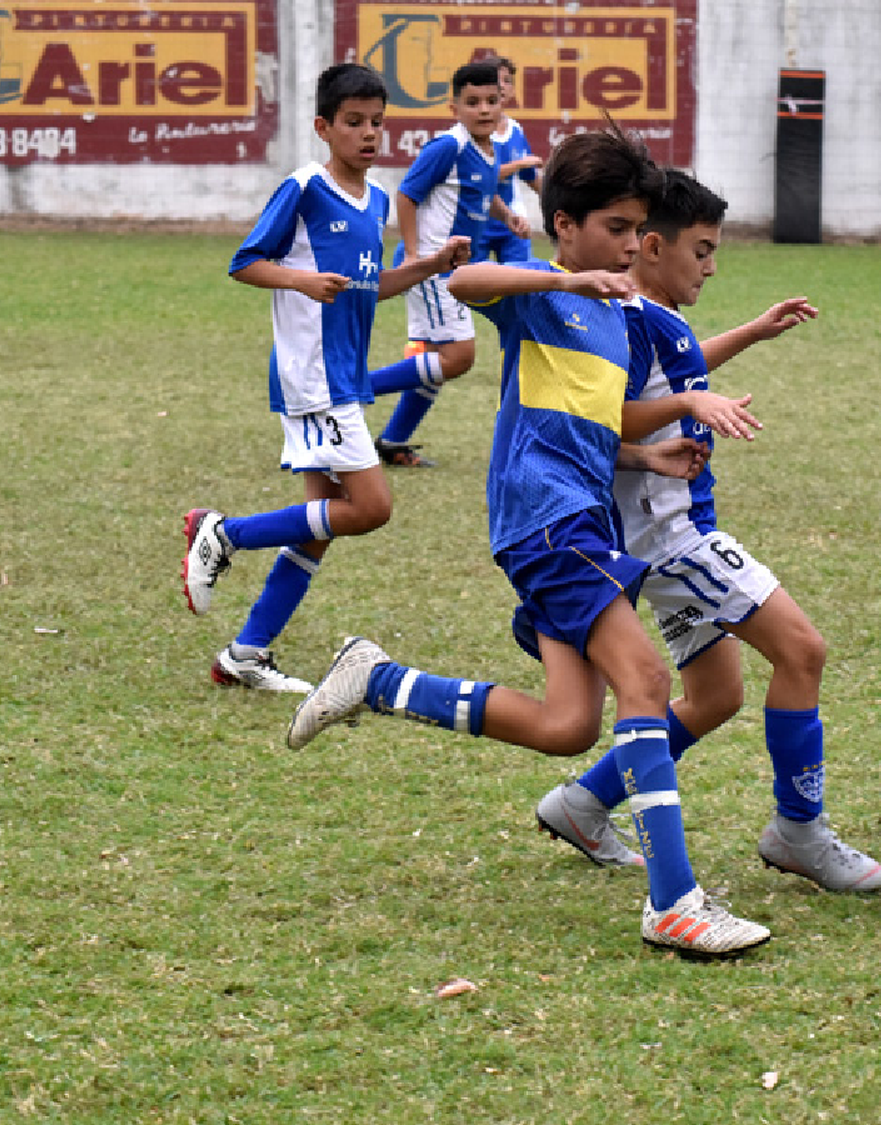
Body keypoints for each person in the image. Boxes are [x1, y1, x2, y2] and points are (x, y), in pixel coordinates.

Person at [286, 125, 772, 960]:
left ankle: (380, 680)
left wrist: (644, 450)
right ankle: (674, 901)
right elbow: (466, 275)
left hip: (582, 517)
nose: (628, 246)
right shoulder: (544, 292)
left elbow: (592, 417)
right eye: (614, 230)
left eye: (634, 231)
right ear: (565, 224)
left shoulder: (617, 318)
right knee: (649, 679)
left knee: (568, 724)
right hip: (546, 519)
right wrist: (560, 273)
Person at [534, 170, 881, 893]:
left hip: (666, 537)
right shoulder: (631, 317)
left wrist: (752, 333)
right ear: (655, 246)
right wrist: (690, 405)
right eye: (701, 249)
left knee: (716, 694)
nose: (712, 264)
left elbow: (678, 372)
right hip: (671, 539)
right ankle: (800, 829)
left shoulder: (653, 317)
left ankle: (583, 802)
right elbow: (608, 418)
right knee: (803, 649)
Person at [180, 62, 468, 692]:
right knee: (369, 507)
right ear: (323, 127)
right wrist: (301, 279)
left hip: (344, 378)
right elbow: (246, 262)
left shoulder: (375, 202)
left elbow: (371, 289)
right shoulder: (306, 188)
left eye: (377, 123)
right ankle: (223, 534)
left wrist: (430, 264)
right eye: (354, 123)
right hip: (312, 378)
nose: (369, 134)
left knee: (318, 525)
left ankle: (245, 655)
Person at [373, 60, 531, 469]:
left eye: (491, 101)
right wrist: (413, 255)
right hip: (433, 264)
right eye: (473, 102)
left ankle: (392, 442)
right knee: (458, 357)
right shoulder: (448, 146)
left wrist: (507, 215)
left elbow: (481, 195)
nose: (483, 109)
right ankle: (349, 390)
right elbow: (406, 195)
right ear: (454, 107)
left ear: (502, 103)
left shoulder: (489, 149)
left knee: (433, 362)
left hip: (450, 266)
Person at [474, 56, 543, 264]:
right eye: (496, 80)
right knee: (474, 285)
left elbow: (530, 175)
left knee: (520, 281)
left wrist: (556, 198)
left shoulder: (515, 129)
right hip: (478, 220)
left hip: (513, 220)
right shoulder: (474, 130)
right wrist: (520, 164)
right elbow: (480, 175)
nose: (502, 86)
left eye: (507, 81)